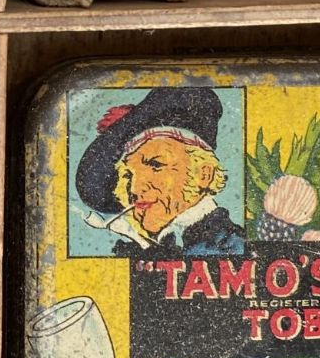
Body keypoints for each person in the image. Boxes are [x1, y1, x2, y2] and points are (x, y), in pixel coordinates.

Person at [74, 87, 246, 257]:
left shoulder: (230, 249)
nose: (134, 188)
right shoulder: (142, 250)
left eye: (156, 165)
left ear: (204, 175)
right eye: (128, 175)